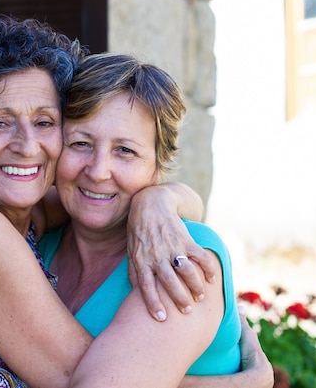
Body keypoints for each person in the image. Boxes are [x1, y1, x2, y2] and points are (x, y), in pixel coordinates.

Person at [0, 15, 272, 388]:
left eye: (45, 122)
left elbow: (100, 196)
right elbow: (87, 378)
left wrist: (160, 201)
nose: (27, 145)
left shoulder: (33, 221)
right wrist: (246, 382)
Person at [38, 52, 268, 387]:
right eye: (80, 143)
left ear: (157, 167)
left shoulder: (187, 256)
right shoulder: (38, 242)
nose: (98, 171)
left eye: (125, 151)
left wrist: (161, 197)